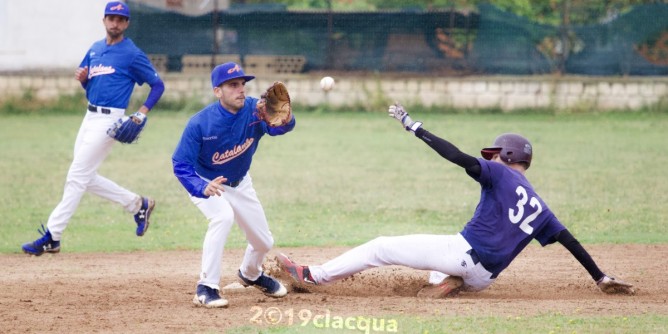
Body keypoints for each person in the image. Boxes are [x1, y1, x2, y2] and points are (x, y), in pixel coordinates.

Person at [277, 103, 635, 298]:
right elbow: (570, 241)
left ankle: (313, 276)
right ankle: (444, 281)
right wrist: (600, 277)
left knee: (381, 247)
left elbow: (459, 157)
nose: (490, 158)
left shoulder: (499, 172)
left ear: (507, 155)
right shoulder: (542, 208)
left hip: (463, 253)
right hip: (486, 278)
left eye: (496, 154)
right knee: (444, 255)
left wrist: (415, 128)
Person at [21, 1, 165, 256]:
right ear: (104, 21)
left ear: (127, 24)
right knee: (84, 177)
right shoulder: (95, 49)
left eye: (120, 19)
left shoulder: (131, 54)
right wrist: (84, 80)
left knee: (76, 176)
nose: (115, 23)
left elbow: (157, 85)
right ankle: (138, 204)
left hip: (110, 122)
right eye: (111, 18)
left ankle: (52, 236)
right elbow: (92, 89)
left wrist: (141, 114)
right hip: (89, 117)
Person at [172, 62, 296, 308]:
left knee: (263, 242)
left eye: (242, 84)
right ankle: (206, 287)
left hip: (241, 183)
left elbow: (279, 128)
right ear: (217, 91)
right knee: (222, 217)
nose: (240, 89)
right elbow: (180, 163)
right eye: (232, 85)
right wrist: (200, 186)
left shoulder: (254, 111)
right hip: (208, 182)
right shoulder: (200, 123)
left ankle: (251, 274)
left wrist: (287, 120)